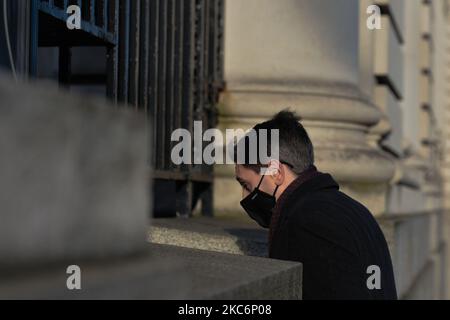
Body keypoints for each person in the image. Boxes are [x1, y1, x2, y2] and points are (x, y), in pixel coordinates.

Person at [234, 110, 398, 300]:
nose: (244, 196)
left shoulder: (305, 221)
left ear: (275, 172)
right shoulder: (352, 209)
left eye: (246, 185)